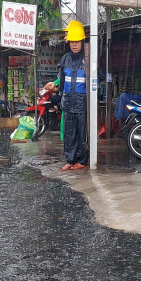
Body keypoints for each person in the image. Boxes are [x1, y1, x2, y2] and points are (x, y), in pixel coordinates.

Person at [57, 20, 89, 171]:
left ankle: (82, 161)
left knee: (82, 133)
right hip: (68, 103)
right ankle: (70, 160)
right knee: (69, 134)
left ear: (82, 41)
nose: (74, 45)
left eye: (77, 42)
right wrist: (61, 98)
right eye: (71, 42)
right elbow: (62, 81)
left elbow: (96, 82)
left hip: (82, 103)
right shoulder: (65, 59)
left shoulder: (87, 59)